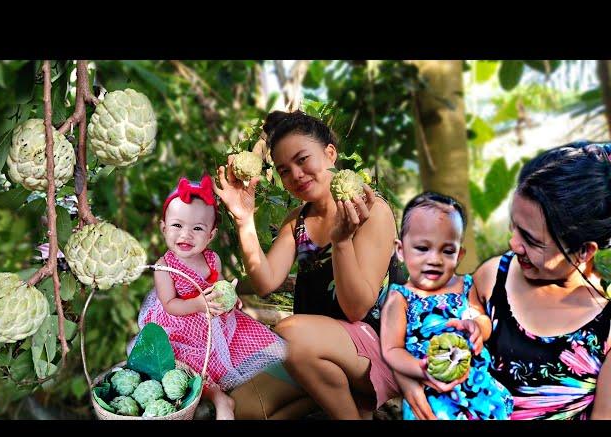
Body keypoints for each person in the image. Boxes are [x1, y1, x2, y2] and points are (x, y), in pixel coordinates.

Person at [402, 142, 611, 420]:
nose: (513, 244)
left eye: (532, 240)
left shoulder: (606, 332)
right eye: (514, 227)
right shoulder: (492, 278)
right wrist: (410, 380)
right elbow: (420, 336)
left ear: (584, 251)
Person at [214, 110, 400, 419]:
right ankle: (332, 391)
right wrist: (244, 218)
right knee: (243, 408)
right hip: (310, 351)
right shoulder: (297, 220)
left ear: (329, 154)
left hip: (375, 350)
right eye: (285, 170)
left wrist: (342, 242)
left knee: (289, 332)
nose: (296, 175)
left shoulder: (370, 211)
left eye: (303, 160)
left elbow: (356, 309)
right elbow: (265, 282)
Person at [136, 174, 287, 420]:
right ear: (164, 228)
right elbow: (171, 305)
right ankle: (219, 398)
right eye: (177, 226)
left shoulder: (211, 259)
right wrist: (198, 304)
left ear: (211, 235)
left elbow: (218, 287)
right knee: (185, 363)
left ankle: (275, 379)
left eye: (197, 228)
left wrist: (229, 298)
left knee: (246, 341)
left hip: (213, 322)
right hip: (179, 326)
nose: (186, 235)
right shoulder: (164, 267)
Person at [380, 192, 513, 420]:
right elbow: (392, 349)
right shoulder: (399, 298)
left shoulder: (465, 285)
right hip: (433, 390)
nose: (435, 259)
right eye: (423, 248)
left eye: (447, 251)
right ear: (401, 251)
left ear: (459, 255)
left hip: (477, 384)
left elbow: (481, 317)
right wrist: (419, 368)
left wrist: (478, 327)